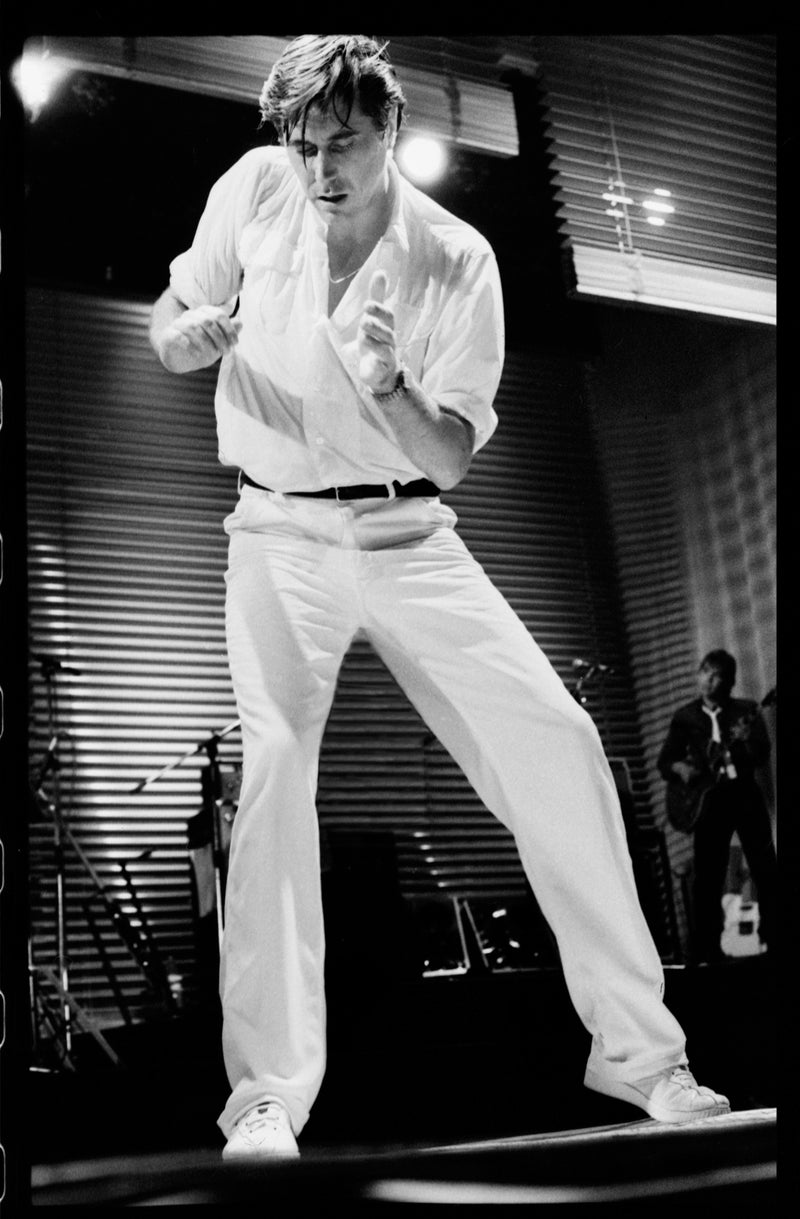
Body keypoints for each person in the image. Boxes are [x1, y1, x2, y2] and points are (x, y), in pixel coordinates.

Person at [149, 34, 730, 1159]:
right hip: (275, 528)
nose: (320, 168)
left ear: (389, 130)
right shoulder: (255, 189)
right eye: (303, 145)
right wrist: (190, 339)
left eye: (342, 143)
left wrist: (391, 387)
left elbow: (451, 454)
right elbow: (170, 320)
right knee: (273, 773)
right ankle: (265, 1098)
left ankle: (644, 1060)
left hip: (407, 529)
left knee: (559, 744)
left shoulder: (455, 256)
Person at [658, 649, 775, 965]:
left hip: (744, 794)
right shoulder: (685, 716)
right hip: (708, 801)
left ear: (729, 682)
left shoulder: (747, 710)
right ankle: (707, 952)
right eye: (705, 672)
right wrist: (683, 769)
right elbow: (666, 761)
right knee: (707, 877)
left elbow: (761, 754)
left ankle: (775, 940)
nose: (709, 680)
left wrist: (747, 740)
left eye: (717, 675)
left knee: (765, 867)